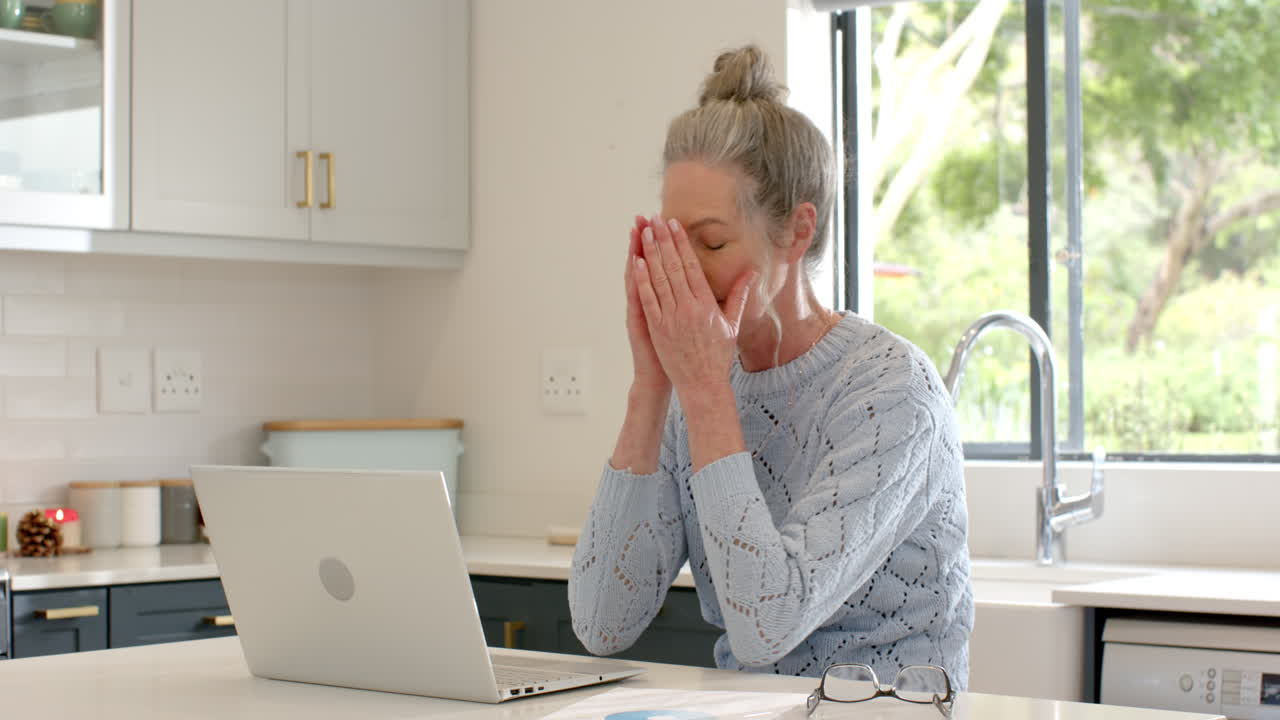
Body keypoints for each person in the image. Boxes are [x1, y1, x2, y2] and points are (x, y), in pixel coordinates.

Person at [568, 45, 974, 686]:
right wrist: (652, 385)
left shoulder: (894, 392)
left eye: (710, 242)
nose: (683, 272)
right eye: (671, 242)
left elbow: (767, 627)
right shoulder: (695, 387)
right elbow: (601, 624)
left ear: (797, 231)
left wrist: (701, 391)